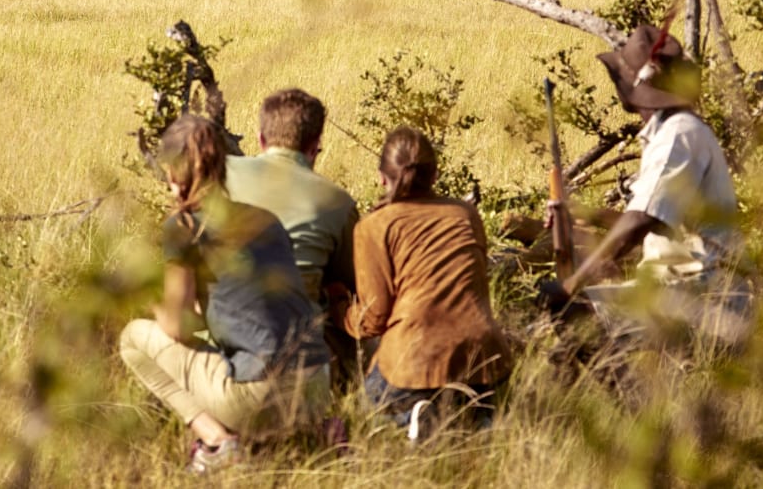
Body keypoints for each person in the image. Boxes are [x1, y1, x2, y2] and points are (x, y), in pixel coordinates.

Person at [120, 115, 333, 473]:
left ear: (172, 171)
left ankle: (219, 443)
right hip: (317, 387)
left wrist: (149, 298)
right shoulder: (267, 220)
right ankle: (312, 433)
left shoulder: (184, 228)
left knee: (132, 338)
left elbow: (177, 327)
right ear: (223, 163)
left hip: (259, 395)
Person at [539, 24, 751, 348]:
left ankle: (619, 396)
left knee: (570, 310)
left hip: (701, 294)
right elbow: (655, 218)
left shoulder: (677, 135)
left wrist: (575, 282)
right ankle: (624, 392)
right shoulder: (672, 131)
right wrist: (576, 216)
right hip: (688, 288)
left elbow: (640, 221)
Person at [340, 126, 512, 435]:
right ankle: (475, 417)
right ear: (434, 175)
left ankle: (411, 419)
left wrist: (340, 310)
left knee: (363, 410)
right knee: (470, 400)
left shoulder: (374, 226)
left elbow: (372, 319)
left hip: (413, 363)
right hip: (486, 358)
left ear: (381, 177)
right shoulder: (465, 213)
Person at [225, 88, 359, 379]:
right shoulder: (338, 201)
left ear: (260, 139)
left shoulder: (220, 175)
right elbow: (350, 285)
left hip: (224, 347)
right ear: (315, 146)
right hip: (300, 355)